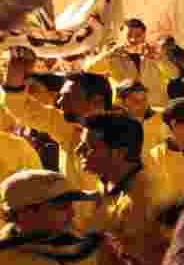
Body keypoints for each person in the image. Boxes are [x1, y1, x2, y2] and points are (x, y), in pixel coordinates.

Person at [77, 113, 167, 265]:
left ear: (119, 152)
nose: (78, 151)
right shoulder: (109, 184)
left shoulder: (148, 198)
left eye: (88, 147)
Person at [4, 54, 110, 208]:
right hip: (74, 226)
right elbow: (20, 107)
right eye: (60, 96)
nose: (59, 102)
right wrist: (16, 69)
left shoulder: (129, 133)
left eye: (67, 97)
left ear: (96, 101)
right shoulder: (66, 126)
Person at [84, 19, 173, 107]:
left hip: (155, 106)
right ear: (122, 36)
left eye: (138, 35)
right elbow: (89, 69)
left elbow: (174, 75)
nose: (133, 39)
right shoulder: (112, 55)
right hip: (124, 109)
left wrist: (158, 59)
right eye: (129, 35)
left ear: (144, 35)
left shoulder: (155, 51)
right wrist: (110, 53)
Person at [114, 80, 168, 158]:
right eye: (135, 101)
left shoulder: (161, 118)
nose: (142, 105)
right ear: (122, 102)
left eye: (144, 99)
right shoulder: (115, 123)